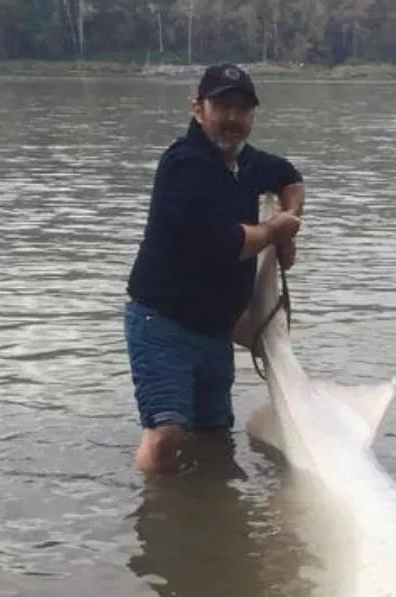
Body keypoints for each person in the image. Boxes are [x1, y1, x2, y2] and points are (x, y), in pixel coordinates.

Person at [124, 63, 305, 473]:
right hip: (161, 321)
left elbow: (291, 177)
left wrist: (291, 224)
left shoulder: (248, 163)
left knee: (213, 439)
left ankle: (203, 504)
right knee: (166, 433)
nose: (233, 119)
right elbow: (223, 244)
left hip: (214, 330)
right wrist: (275, 228)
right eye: (222, 106)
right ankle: (156, 518)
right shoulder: (183, 166)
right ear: (198, 109)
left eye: (243, 109)